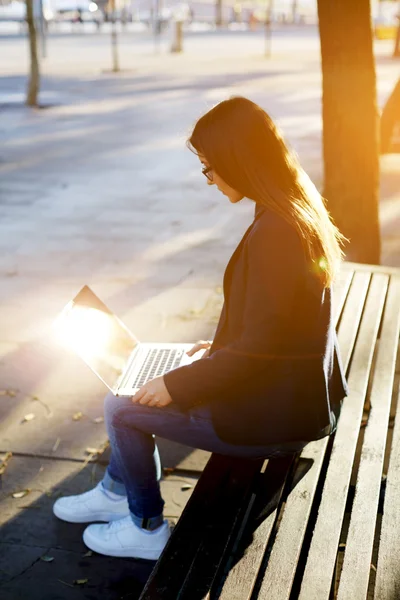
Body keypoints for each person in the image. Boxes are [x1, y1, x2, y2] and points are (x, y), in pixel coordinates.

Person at [53, 97, 348, 560]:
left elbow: (265, 342)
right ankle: (115, 490)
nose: (208, 179)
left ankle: (145, 527)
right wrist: (218, 347)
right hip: (290, 396)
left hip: (275, 417)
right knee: (135, 385)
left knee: (119, 406)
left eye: (210, 168)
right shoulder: (289, 208)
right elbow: (278, 325)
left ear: (238, 160)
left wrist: (178, 382)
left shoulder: (277, 232)